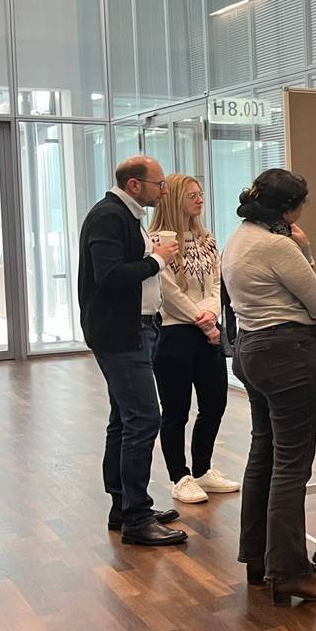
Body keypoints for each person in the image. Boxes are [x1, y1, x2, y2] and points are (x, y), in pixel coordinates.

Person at [221, 169, 316, 606]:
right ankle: (290, 572)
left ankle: (259, 560)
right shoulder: (278, 247)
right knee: (292, 466)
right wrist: (305, 250)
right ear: (289, 209)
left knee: (264, 455)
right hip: (288, 355)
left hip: (251, 351)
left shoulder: (238, 239)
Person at [78, 155, 187, 546]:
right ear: (134, 185)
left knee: (125, 420)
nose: (164, 190)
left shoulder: (126, 215)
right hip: (121, 333)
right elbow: (109, 276)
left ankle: (124, 508)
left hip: (136, 329)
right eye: (160, 184)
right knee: (143, 419)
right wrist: (157, 260)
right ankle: (137, 519)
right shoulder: (109, 216)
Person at [148, 174, 238, 504]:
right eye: (192, 196)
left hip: (207, 328)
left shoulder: (207, 239)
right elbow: (168, 291)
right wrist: (202, 320)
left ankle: (202, 469)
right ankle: (180, 476)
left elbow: (216, 283)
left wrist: (211, 314)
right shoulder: (156, 241)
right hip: (174, 333)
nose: (200, 200)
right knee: (176, 410)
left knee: (215, 403)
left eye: (200, 194)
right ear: (174, 199)